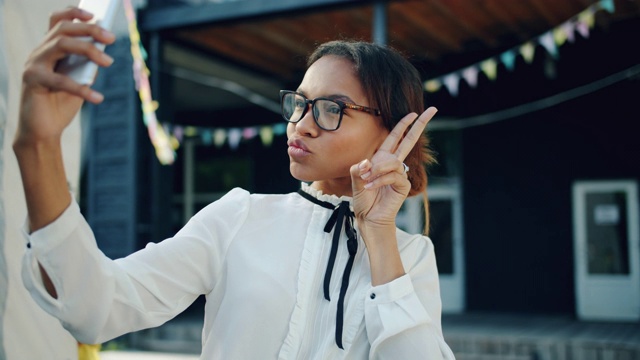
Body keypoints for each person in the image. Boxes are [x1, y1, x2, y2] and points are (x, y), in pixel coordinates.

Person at [13, 7, 455, 360]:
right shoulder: (241, 216)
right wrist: (39, 146)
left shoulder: (411, 258)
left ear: (393, 132)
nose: (301, 124)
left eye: (331, 109)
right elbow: (98, 306)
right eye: (300, 103)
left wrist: (377, 236)